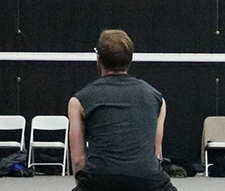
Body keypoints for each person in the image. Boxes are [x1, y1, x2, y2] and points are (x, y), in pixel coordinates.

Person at [68, 30, 175, 191]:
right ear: (130, 59)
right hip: (147, 180)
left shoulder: (78, 101)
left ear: (99, 59)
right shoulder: (157, 99)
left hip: (100, 180)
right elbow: (154, 152)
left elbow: (78, 160)